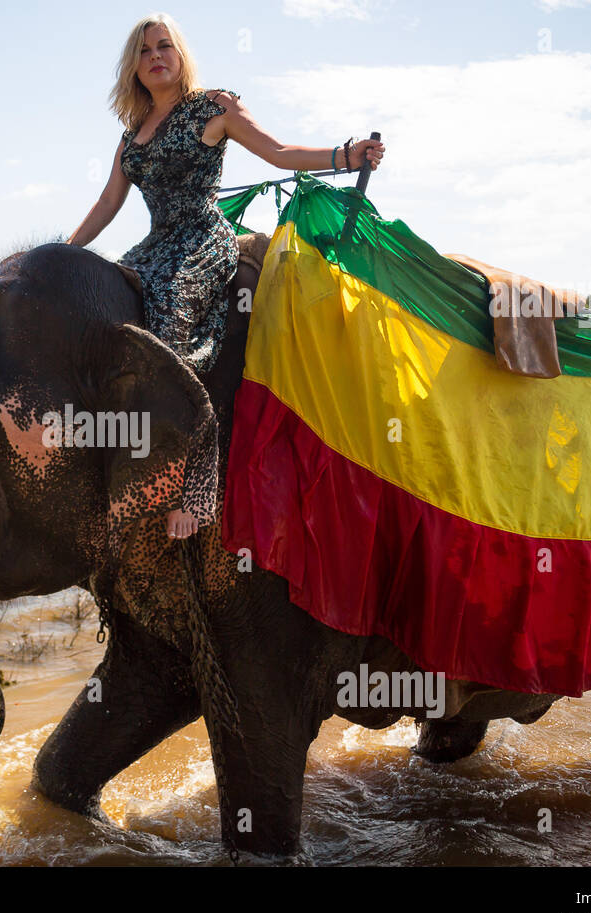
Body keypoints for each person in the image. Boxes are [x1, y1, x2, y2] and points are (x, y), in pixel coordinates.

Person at [67, 13, 385, 540]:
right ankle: (116, 457)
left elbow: (279, 153)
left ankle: (197, 481)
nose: (156, 57)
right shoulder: (131, 139)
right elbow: (107, 202)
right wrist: (65, 251)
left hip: (201, 241)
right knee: (106, 317)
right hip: (153, 245)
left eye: (164, 46)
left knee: (168, 328)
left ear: (180, 54)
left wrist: (345, 156)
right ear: (135, 67)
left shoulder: (213, 107)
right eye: (145, 51)